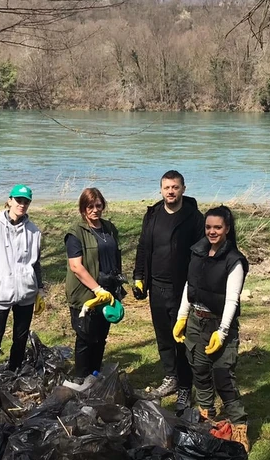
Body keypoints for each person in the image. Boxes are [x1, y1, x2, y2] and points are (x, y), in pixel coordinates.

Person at [173, 205, 250, 452]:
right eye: (208, 227)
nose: (212, 232)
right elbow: (189, 284)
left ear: (227, 228)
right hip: (196, 320)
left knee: (223, 375)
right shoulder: (198, 251)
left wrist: (223, 331)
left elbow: (232, 299)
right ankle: (207, 416)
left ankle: (239, 425)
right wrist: (182, 316)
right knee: (200, 370)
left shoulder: (234, 260)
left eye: (217, 227)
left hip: (219, 323)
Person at [133, 170, 204, 411]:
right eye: (166, 188)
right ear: (161, 190)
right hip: (156, 287)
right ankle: (170, 378)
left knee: (181, 338)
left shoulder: (194, 217)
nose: (170, 191)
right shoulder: (152, 215)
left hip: (181, 289)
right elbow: (143, 246)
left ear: (183, 188)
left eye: (175, 187)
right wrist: (139, 276)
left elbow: (200, 255)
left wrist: (194, 287)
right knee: (163, 336)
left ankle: (185, 386)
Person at [0, 184, 46, 379]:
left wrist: (40, 290)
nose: (21, 205)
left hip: (26, 293)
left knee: (20, 338)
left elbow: (36, 264)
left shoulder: (34, 232)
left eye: (26, 201)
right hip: (0, 292)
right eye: (18, 200)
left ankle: (13, 373)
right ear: (9, 201)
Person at [65, 187, 125, 378]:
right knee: (85, 338)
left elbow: (116, 257)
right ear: (83, 209)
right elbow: (76, 266)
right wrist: (97, 289)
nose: (94, 210)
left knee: (100, 337)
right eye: (89, 206)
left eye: (98, 205)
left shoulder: (110, 229)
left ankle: (95, 376)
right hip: (86, 293)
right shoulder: (76, 233)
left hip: (108, 292)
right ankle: (81, 379)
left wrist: (115, 286)